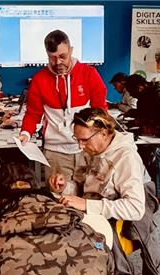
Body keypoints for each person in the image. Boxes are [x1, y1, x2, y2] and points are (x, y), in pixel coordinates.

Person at [50, 107, 160, 275]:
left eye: (84, 139)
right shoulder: (93, 150)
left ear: (103, 133)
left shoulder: (126, 158)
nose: (81, 146)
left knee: (63, 245)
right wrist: (64, 188)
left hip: (114, 225)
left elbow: (135, 208)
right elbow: (81, 186)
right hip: (92, 213)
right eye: (77, 140)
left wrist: (86, 205)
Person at [19, 30, 107, 192]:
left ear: (71, 51)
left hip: (86, 149)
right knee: (60, 199)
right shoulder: (39, 79)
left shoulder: (89, 74)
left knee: (91, 196)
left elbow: (101, 111)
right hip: (56, 153)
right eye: (52, 58)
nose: (58, 62)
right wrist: (25, 133)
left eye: (62, 56)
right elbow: (33, 113)